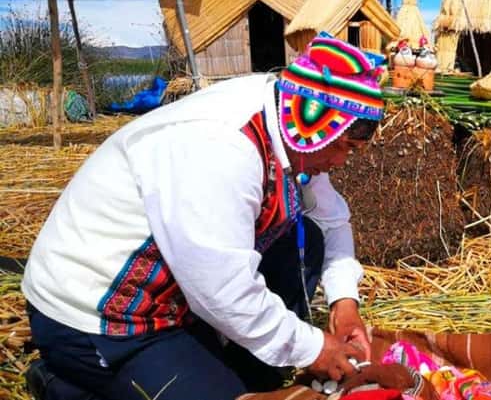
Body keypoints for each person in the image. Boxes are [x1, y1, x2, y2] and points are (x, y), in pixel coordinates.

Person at [22, 33, 386, 399]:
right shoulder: (221, 147)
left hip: (182, 294)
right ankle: (64, 382)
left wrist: (344, 302)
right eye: (344, 147)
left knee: (307, 239)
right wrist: (313, 348)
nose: (341, 161)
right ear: (314, 122)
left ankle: (243, 373)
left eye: (352, 150)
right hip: (99, 317)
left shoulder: (290, 123)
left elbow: (331, 220)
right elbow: (222, 290)